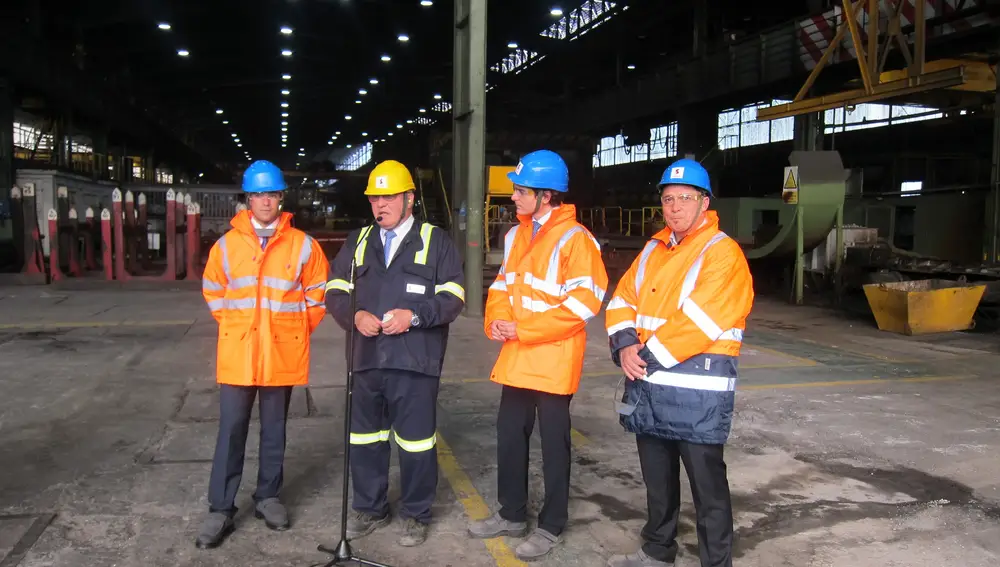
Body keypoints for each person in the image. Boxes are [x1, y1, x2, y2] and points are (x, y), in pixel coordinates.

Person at [604, 158, 754, 567]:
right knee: (658, 481)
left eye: (685, 198)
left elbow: (702, 321)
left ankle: (715, 561)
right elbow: (622, 300)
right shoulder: (653, 249)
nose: (674, 207)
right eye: (668, 199)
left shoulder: (722, 253)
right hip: (649, 385)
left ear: (704, 203)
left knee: (708, 488)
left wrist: (643, 354)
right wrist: (623, 345)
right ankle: (657, 549)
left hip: (695, 394)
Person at [468, 149, 609, 561]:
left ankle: (551, 525)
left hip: (553, 359)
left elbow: (584, 305)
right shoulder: (515, 235)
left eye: (521, 190)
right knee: (509, 435)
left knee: (554, 446)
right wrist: (495, 320)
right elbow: (501, 287)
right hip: (517, 356)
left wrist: (523, 329)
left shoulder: (576, 240)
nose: (513, 197)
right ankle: (511, 514)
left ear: (546, 195)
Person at [324, 159, 465, 547]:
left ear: (409, 199)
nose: (379, 205)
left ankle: (416, 513)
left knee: (417, 442)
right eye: (374, 198)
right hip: (366, 358)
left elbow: (454, 297)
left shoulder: (437, 242)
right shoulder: (358, 241)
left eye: (388, 197)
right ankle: (369, 508)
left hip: (415, 360)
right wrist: (356, 316)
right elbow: (333, 290)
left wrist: (415, 316)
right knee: (365, 439)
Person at [196, 159, 331, 549]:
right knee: (231, 430)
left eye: (271, 193)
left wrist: (292, 331)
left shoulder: (303, 245)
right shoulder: (226, 246)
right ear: (248, 199)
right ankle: (220, 508)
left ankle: (268, 497)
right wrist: (238, 328)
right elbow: (214, 291)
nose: (265, 201)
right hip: (239, 354)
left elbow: (317, 294)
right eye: (257, 194)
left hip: (281, 353)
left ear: (280, 197)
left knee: (275, 431)